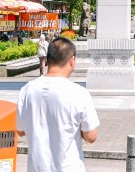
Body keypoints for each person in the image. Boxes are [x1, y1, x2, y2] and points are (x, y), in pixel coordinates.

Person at [16, 37, 99, 172]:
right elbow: (91, 136)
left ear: (47, 59)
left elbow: (20, 130)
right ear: (72, 61)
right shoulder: (79, 93)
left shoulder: (27, 90)